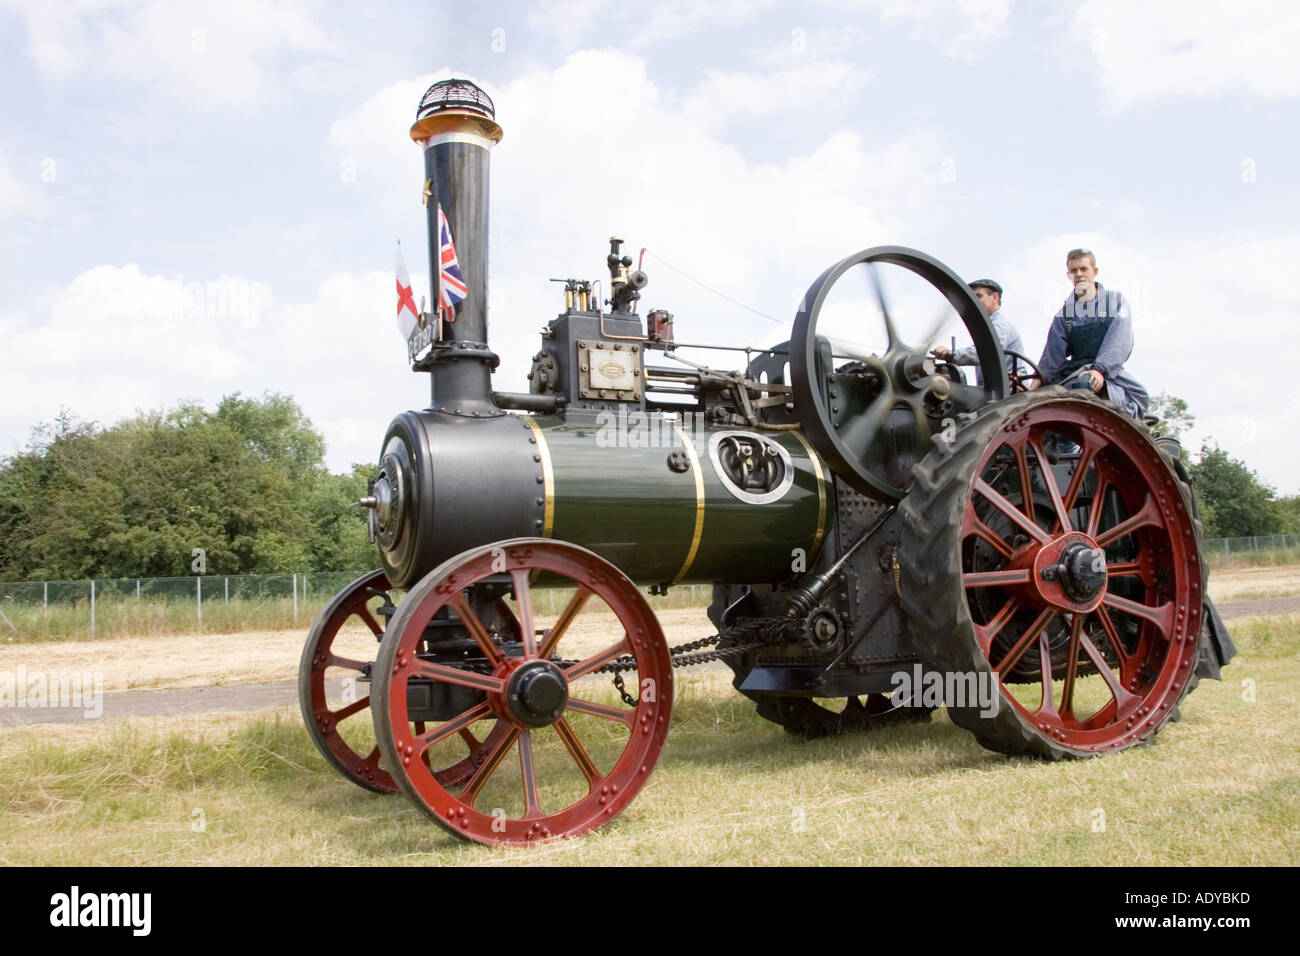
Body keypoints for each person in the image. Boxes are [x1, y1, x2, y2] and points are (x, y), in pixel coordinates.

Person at [1034, 249, 1148, 419]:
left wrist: (1099, 370)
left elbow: (1119, 341)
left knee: (1084, 385)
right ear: (1068, 275)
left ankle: (1075, 439)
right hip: (1073, 374)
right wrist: (1032, 387)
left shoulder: (1115, 301)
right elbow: (1051, 359)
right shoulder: (1063, 315)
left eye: (1083, 269)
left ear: (1095, 271)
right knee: (1039, 403)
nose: (1079, 274)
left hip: (1109, 377)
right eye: (1074, 271)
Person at [933, 279, 1026, 385]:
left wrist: (951, 355)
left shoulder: (1000, 324)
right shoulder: (987, 327)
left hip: (1011, 392)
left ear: (995, 297)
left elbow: (987, 352)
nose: (974, 302)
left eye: (978, 296)